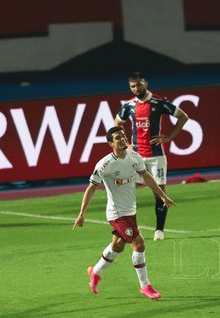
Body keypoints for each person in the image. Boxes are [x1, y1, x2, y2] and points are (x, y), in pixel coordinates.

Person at [73, 127, 176, 300]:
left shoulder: (134, 157)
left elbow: (146, 176)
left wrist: (163, 196)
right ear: (110, 143)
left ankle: (95, 271)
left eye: (123, 136)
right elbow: (91, 188)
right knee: (139, 244)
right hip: (116, 213)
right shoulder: (105, 165)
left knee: (118, 246)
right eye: (117, 138)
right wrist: (81, 213)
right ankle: (145, 286)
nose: (122, 139)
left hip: (131, 210)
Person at [114, 72, 188, 241]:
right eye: (132, 86)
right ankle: (133, 228)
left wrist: (169, 137)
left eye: (139, 84)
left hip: (156, 157)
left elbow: (183, 117)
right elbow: (117, 123)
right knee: (128, 193)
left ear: (145, 83)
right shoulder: (129, 106)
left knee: (160, 193)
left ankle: (159, 231)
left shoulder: (159, 102)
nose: (136, 88)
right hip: (135, 156)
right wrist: (126, 143)